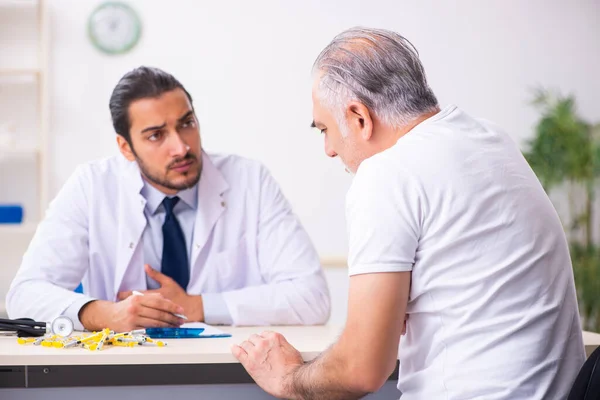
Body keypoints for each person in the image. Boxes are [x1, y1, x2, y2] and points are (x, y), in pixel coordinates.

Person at [232, 27, 585, 399]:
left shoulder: (387, 173)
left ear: (358, 118)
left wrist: (288, 378)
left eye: (325, 129)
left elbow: (359, 370)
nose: (329, 151)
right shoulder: (490, 139)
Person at [6, 66, 330, 332]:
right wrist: (104, 314)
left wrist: (198, 306)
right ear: (125, 148)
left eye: (186, 123)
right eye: (156, 135)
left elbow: (312, 298)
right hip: (119, 372)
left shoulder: (250, 181)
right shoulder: (91, 186)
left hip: (229, 368)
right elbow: (24, 295)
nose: (181, 147)